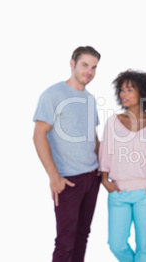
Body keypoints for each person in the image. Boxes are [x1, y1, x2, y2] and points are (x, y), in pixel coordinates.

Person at [33, 46, 102, 262]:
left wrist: (102, 169)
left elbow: (93, 136)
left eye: (94, 67)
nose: (89, 72)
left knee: (82, 236)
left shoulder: (90, 99)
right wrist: (54, 177)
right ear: (72, 64)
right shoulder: (53, 94)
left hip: (93, 176)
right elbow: (38, 136)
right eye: (84, 65)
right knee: (65, 239)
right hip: (68, 180)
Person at [99, 69, 146, 262]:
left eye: (129, 89)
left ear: (142, 92)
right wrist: (105, 180)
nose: (123, 94)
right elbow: (106, 151)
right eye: (121, 90)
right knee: (116, 244)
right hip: (118, 191)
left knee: (144, 246)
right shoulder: (113, 121)